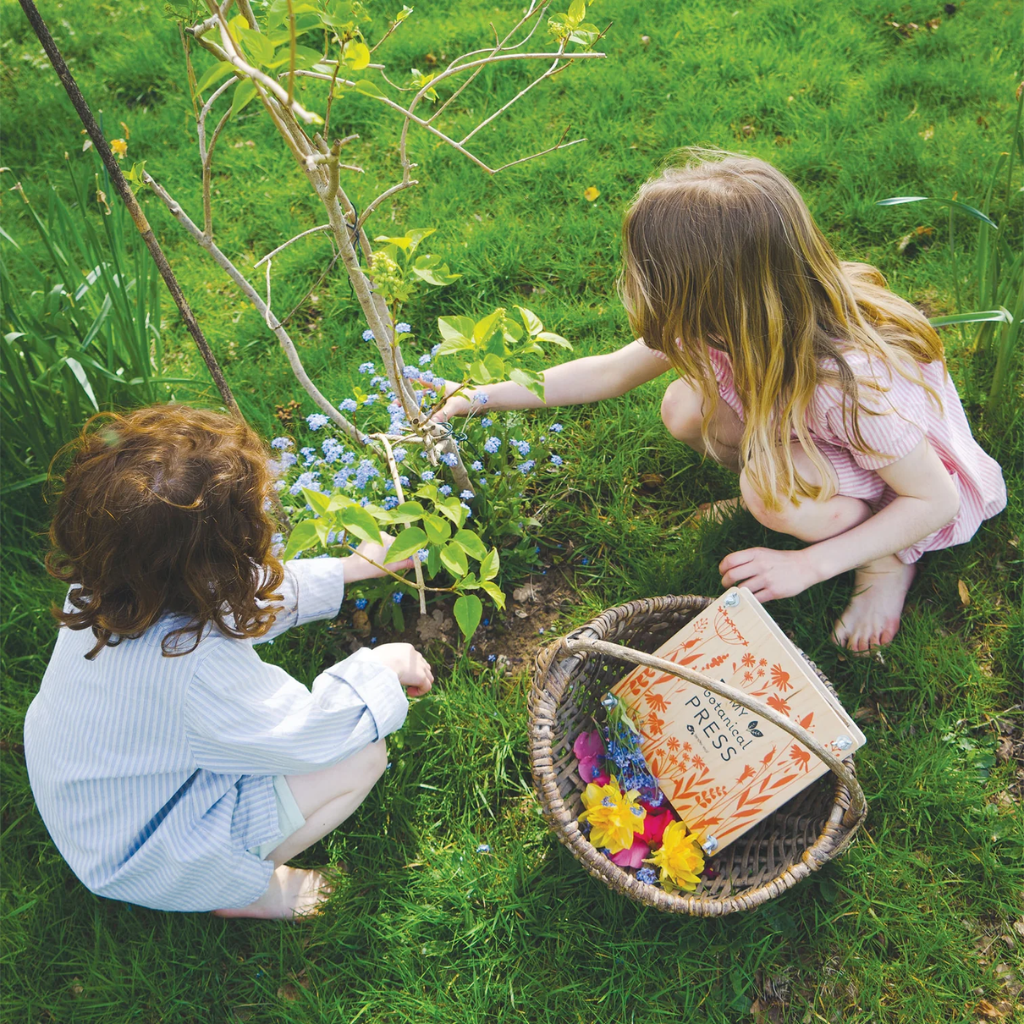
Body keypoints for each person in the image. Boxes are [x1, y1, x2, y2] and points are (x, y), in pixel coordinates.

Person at [438, 153, 1006, 652]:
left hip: (900, 483)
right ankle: (783, 500)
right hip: (813, 435)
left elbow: (933, 498)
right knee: (684, 409)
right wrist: (480, 396)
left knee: (772, 490)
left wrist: (808, 565)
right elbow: (609, 372)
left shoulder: (848, 380)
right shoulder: (721, 325)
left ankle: (882, 562)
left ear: (709, 293)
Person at [24, 405, 433, 919]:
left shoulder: (111, 583)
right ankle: (239, 891)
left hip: (99, 803)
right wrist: (382, 668)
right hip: (150, 852)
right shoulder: (195, 671)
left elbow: (236, 600)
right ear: (216, 562)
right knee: (362, 755)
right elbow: (306, 736)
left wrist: (348, 570)